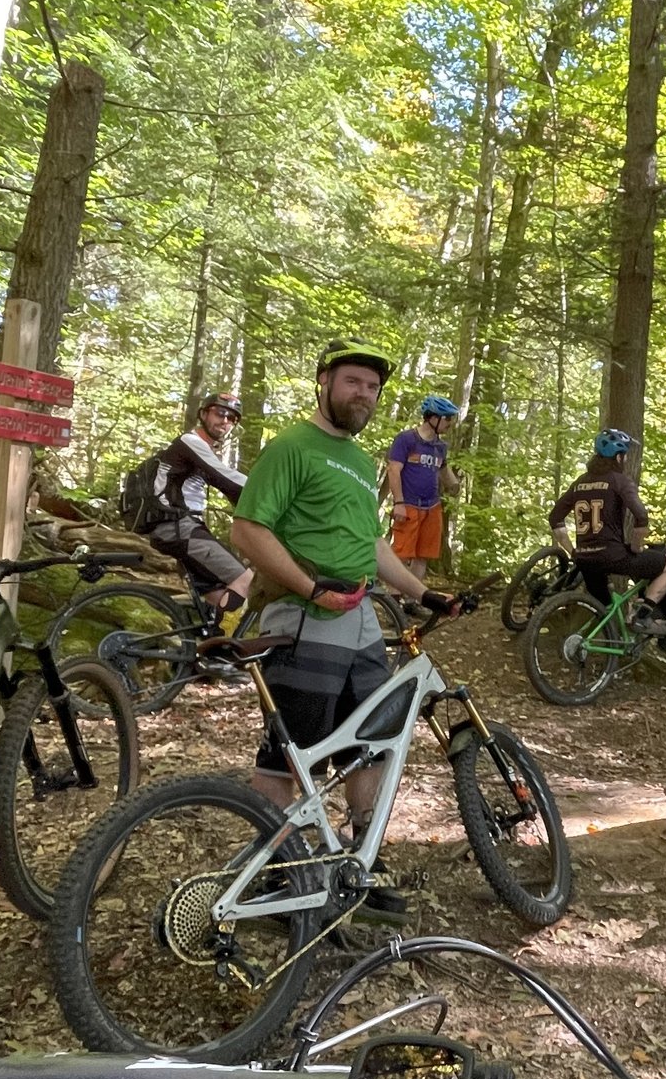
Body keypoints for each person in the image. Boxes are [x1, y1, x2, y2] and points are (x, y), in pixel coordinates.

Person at [229, 338, 457, 818]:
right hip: (305, 617)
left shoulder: (356, 460)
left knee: (371, 740)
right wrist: (310, 588)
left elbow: (372, 545)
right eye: (353, 381)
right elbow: (248, 530)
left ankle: (360, 860)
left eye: (372, 387)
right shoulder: (291, 446)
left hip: (362, 622)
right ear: (324, 382)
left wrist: (423, 592)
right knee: (289, 756)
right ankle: (276, 869)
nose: (364, 393)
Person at [547, 428, 666, 634]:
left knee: (606, 609)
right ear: (619, 457)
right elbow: (641, 516)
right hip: (612, 555)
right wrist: (636, 547)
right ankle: (642, 618)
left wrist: (572, 551)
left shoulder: (580, 483)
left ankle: (607, 650)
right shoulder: (619, 481)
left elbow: (555, 518)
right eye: (625, 454)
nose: (625, 459)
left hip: (585, 560)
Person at [142, 390, 252, 613]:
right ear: (203, 413)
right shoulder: (189, 442)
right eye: (220, 413)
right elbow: (226, 478)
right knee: (245, 579)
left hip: (180, 528)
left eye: (232, 418)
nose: (225, 421)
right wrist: (270, 490)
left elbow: (230, 491)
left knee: (218, 595)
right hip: (178, 527)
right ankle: (223, 642)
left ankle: (205, 643)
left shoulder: (203, 451)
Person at [384, 394, 460, 578]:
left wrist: (454, 485)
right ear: (433, 417)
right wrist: (399, 503)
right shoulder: (406, 439)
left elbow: (442, 468)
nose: (450, 423)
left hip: (431, 506)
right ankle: (394, 598)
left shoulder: (439, 446)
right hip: (408, 504)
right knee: (402, 553)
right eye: (447, 418)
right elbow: (394, 470)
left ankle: (412, 600)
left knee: (423, 555)